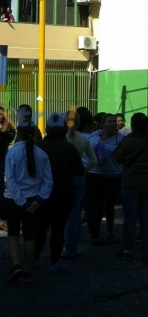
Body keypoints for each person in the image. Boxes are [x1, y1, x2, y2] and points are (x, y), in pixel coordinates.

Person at [33, 113, 85, 272]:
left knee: (40, 227)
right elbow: (79, 171)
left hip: (41, 193)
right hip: (63, 192)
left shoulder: (38, 147)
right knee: (58, 228)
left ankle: (34, 258)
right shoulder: (69, 148)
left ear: (47, 129)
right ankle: (54, 262)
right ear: (64, 129)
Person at [4, 120, 53, 284]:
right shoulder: (42, 154)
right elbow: (48, 181)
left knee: (13, 233)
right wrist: (38, 199)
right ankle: (27, 270)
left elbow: (10, 181)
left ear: (18, 134)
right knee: (30, 235)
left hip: (14, 200)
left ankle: (16, 265)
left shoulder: (12, 153)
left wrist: (21, 201)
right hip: (34, 200)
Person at [62, 108, 99, 259]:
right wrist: (84, 170)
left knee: (64, 215)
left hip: (64, 178)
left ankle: (65, 246)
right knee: (75, 214)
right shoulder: (83, 139)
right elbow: (94, 160)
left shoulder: (63, 138)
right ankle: (72, 248)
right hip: (80, 177)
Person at [113, 113, 148, 261]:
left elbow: (117, 157)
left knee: (129, 218)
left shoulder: (127, 141)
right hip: (147, 184)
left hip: (130, 183)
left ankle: (128, 250)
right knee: (146, 218)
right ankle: (147, 251)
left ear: (132, 125)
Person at [85, 113, 124, 245]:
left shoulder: (121, 138)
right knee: (98, 205)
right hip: (98, 176)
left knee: (110, 205)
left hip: (114, 175)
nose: (113, 124)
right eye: (109, 121)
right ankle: (96, 233)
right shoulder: (95, 136)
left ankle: (110, 231)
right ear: (103, 124)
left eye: (114, 121)